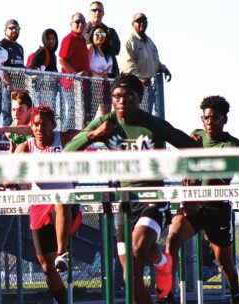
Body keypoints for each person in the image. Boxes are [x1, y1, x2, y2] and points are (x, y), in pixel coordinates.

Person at [64, 73, 201, 304]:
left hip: (153, 198)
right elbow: (68, 151)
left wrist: (192, 171)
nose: (121, 101)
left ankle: (162, 263)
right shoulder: (106, 122)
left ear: (139, 98)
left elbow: (191, 148)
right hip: (126, 202)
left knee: (138, 247)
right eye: (117, 96)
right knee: (131, 277)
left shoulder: (153, 124)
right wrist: (95, 135)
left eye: (128, 96)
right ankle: (161, 264)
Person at [162, 96, 239, 304]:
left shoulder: (231, 144)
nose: (209, 123)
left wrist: (197, 155)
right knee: (172, 238)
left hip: (217, 207)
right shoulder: (195, 136)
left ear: (224, 120)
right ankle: (167, 295)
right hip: (193, 203)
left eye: (215, 119)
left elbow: (222, 175)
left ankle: (235, 295)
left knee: (223, 262)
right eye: (205, 118)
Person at [14, 105, 81, 304]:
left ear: (54, 125)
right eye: (35, 125)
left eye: (44, 124)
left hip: (68, 206)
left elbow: (90, 134)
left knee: (59, 200)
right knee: (47, 269)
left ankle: (62, 253)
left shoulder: (65, 138)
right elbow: (6, 177)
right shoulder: (26, 148)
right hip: (38, 207)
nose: (39, 129)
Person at [119, 13, 171, 115]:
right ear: (133, 24)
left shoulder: (149, 41)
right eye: (139, 21)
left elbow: (154, 60)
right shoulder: (130, 41)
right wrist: (140, 80)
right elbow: (128, 65)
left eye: (144, 21)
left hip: (147, 87)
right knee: (135, 117)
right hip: (133, 87)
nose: (142, 23)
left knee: (146, 117)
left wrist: (164, 69)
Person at [59, 13, 91, 130]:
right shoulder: (69, 39)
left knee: (80, 113)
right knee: (73, 110)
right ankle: (63, 139)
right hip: (70, 84)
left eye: (83, 21)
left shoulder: (83, 39)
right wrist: (75, 74)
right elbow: (61, 59)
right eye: (77, 22)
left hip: (81, 85)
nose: (80, 24)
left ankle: (75, 139)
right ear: (71, 24)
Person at [84, 1, 121, 78]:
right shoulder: (84, 29)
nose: (97, 12)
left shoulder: (110, 31)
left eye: (100, 10)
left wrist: (102, 44)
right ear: (89, 13)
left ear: (103, 13)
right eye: (94, 10)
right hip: (92, 77)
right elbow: (89, 42)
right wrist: (108, 43)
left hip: (110, 75)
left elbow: (116, 50)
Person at [0, 19, 25, 127]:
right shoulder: (1, 45)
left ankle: (18, 138)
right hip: (7, 87)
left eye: (17, 28)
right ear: (5, 30)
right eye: (11, 28)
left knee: (20, 116)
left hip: (20, 87)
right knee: (8, 115)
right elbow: (0, 66)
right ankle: (5, 140)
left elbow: (21, 66)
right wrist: (8, 83)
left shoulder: (20, 48)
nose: (14, 30)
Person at [30, 29, 59, 112]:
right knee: (41, 111)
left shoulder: (52, 54)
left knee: (50, 112)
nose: (51, 41)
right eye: (49, 39)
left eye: (53, 39)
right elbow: (33, 68)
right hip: (41, 89)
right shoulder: (42, 51)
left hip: (50, 87)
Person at [87, 24, 112, 122]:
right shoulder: (91, 47)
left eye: (103, 34)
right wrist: (99, 76)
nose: (100, 36)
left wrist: (105, 74)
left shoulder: (104, 51)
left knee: (103, 114)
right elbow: (86, 66)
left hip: (101, 87)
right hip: (91, 85)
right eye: (97, 33)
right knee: (89, 115)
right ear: (92, 35)